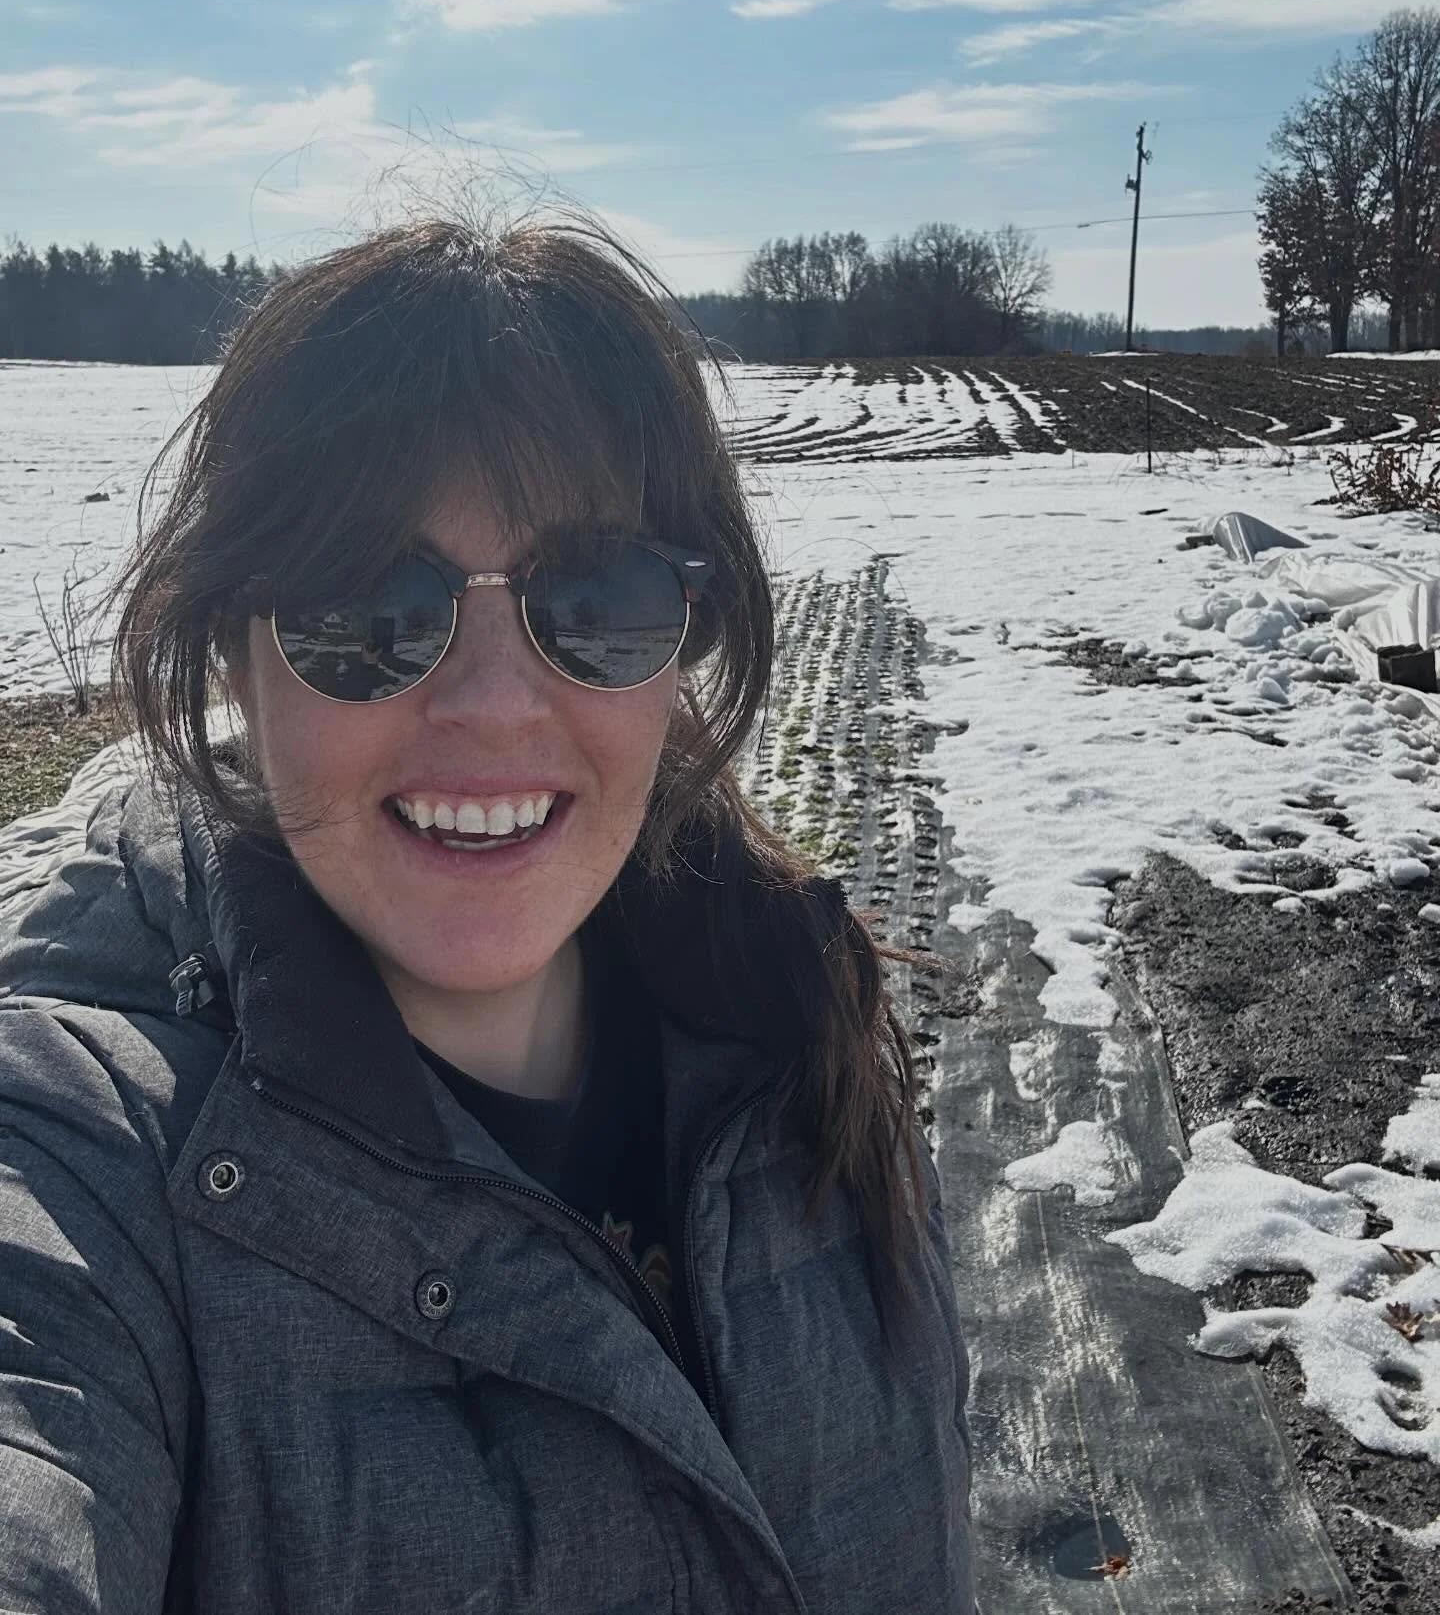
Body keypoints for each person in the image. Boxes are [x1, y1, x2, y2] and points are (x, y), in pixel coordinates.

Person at [0, 216, 974, 1613]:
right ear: (233, 647)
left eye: (599, 595)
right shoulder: (87, 1153)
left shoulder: (803, 1026)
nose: (495, 706)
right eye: (366, 605)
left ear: (683, 632)